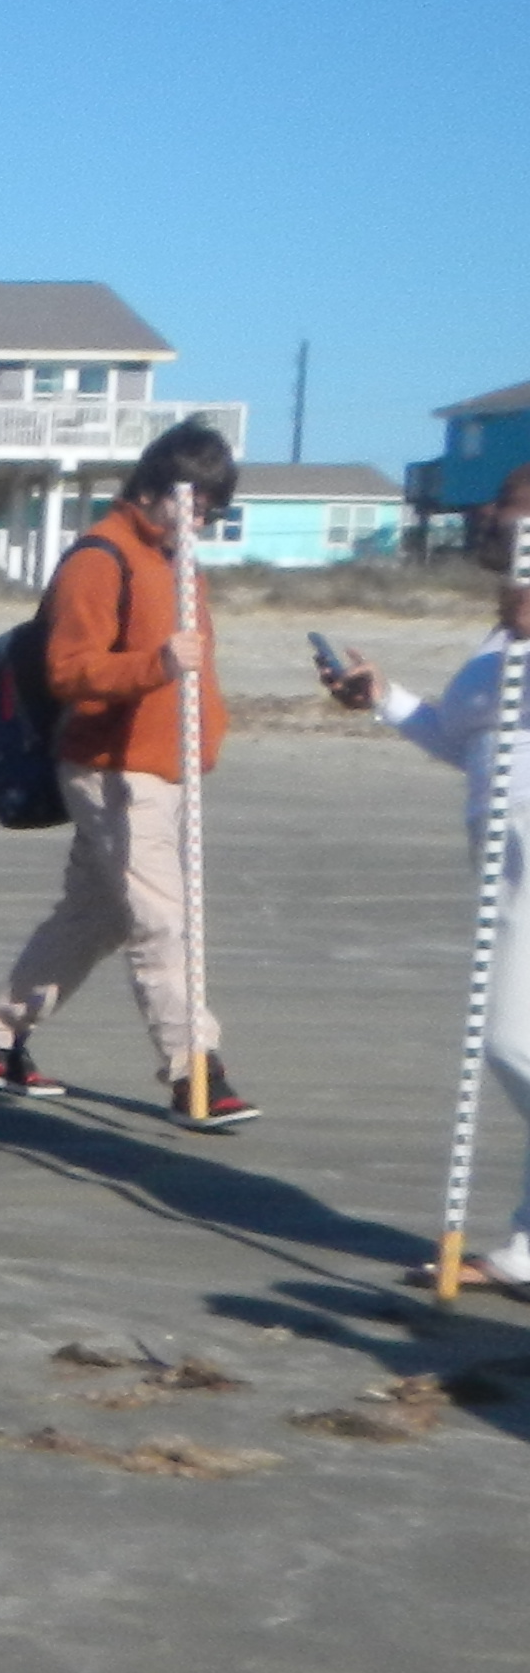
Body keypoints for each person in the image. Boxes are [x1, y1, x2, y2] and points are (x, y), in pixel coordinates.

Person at [0, 420, 255, 1126]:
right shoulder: (100, 558)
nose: (204, 517)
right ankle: (194, 1071)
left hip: (164, 771)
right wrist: (157, 666)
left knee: (92, 919)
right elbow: (69, 672)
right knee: (161, 920)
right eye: (197, 501)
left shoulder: (177, 560)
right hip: (111, 770)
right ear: (155, 488)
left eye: (214, 506)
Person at [323, 462, 530, 1285]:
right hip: (502, 860)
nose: (487, 512)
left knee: (511, 1039)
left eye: (509, 501)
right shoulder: (499, 630)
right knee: (513, 1037)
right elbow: (469, 739)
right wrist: (386, 699)